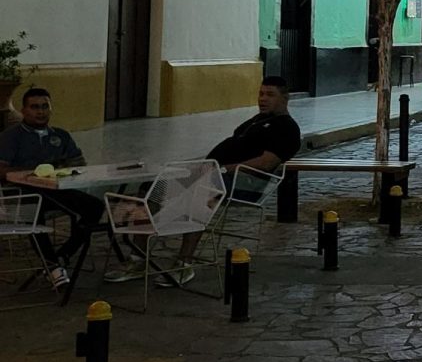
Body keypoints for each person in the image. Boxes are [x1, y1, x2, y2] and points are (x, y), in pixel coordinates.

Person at [112, 76, 302, 286]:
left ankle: (184, 263)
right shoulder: (257, 120)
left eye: (270, 95)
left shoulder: (287, 128)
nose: (263, 99)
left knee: (201, 190)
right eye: (261, 94)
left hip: (244, 181)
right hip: (214, 172)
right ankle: (138, 257)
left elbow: (266, 163)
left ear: (285, 98)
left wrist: (222, 168)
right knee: (150, 189)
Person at [0, 87, 102, 290]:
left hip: (57, 190)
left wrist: (64, 168)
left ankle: (64, 255)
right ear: (24, 110)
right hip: (21, 193)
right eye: (34, 107)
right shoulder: (11, 137)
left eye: (45, 106)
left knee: (96, 207)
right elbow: (1, 170)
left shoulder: (61, 136)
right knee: (33, 211)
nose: (40, 112)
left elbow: (79, 163)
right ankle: (53, 266)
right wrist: (32, 172)